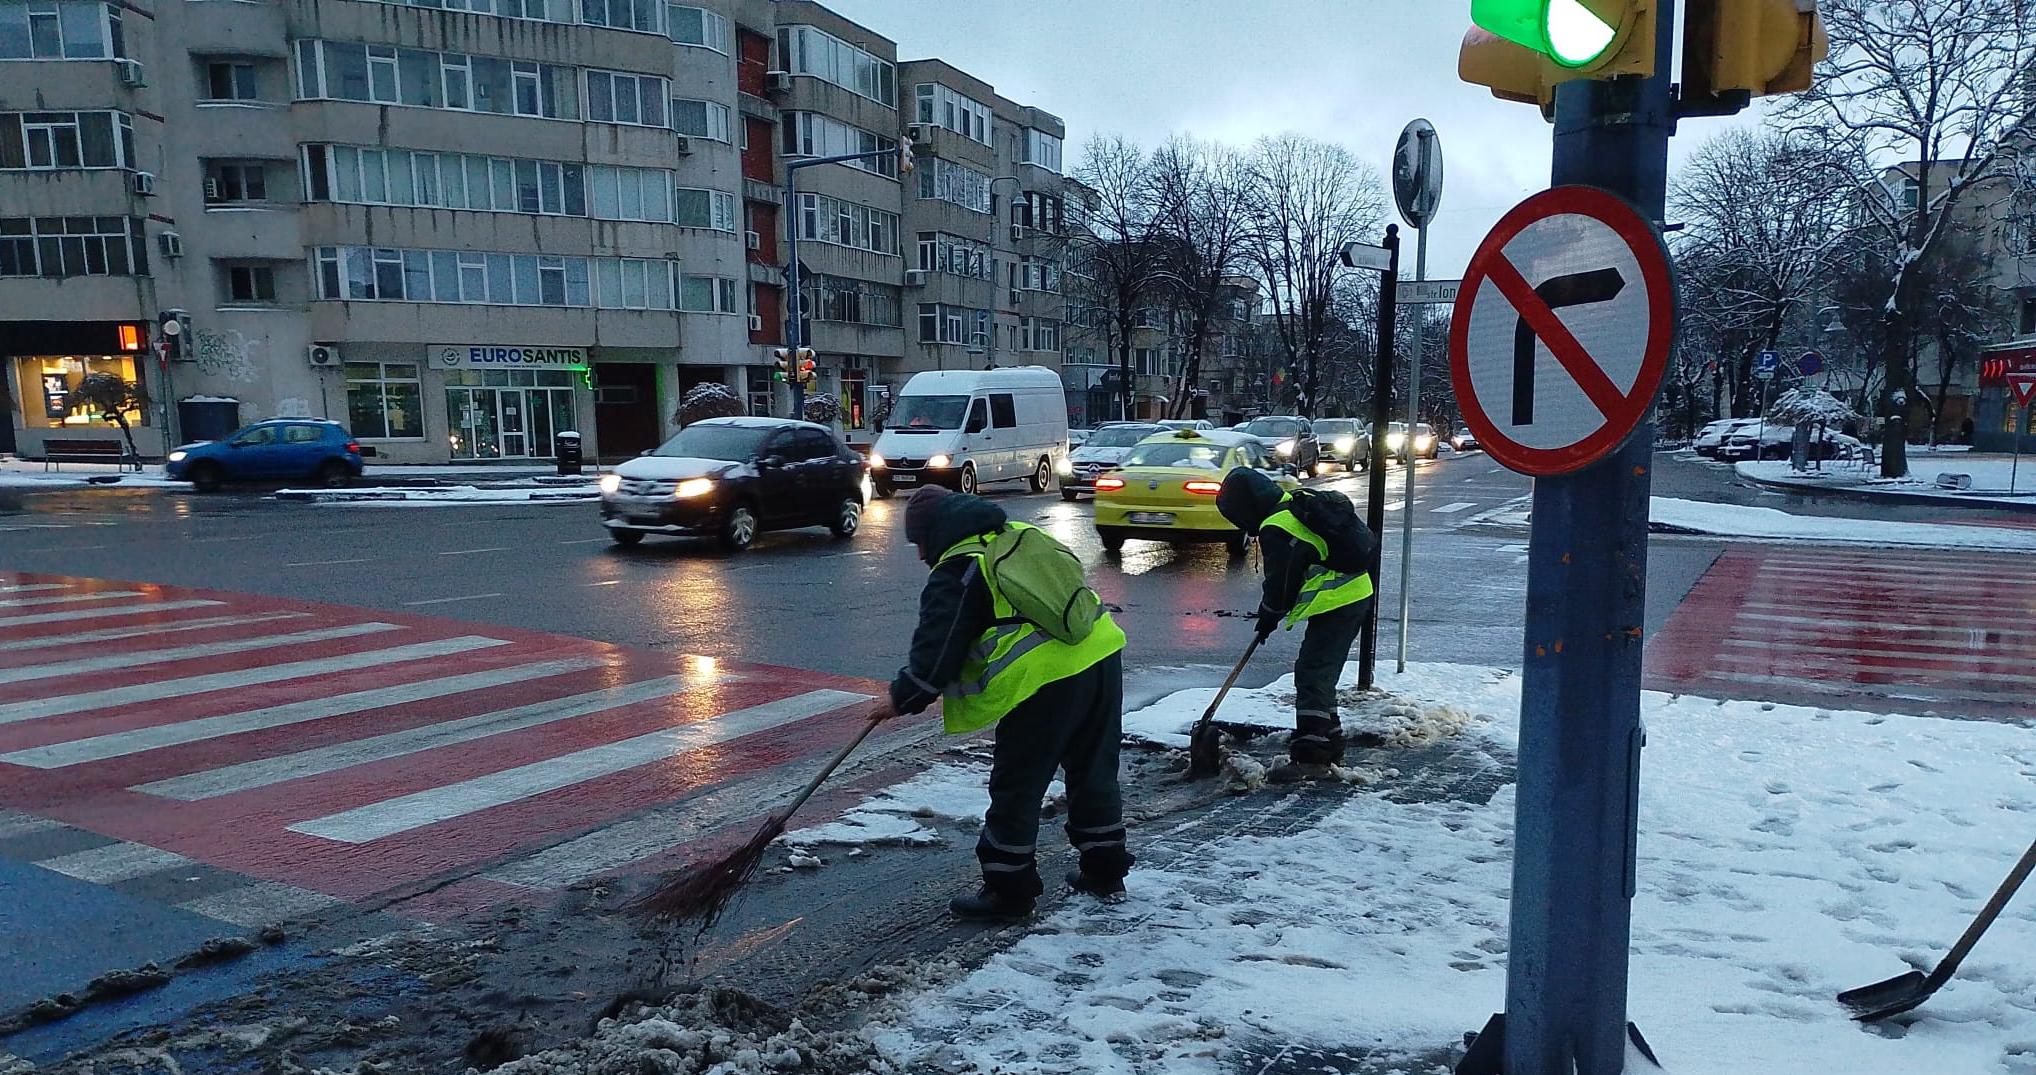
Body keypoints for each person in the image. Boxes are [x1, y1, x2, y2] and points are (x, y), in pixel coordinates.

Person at [869, 486, 1133, 921]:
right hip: (1101, 652)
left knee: (1018, 784)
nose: (920, 555)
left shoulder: (961, 566)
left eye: (919, 542)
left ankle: (1008, 892)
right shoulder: (1017, 535)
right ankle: (1105, 872)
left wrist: (903, 697)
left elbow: (939, 647)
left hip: (1045, 679)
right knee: (1094, 770)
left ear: (935, 532)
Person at [1215, 468, 1376, 782]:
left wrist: (1268, 614)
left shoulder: (1277, 526)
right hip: (1354, 592)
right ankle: (1329, 739)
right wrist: (1270, 615)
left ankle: (1312, 757)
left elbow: (1282, 584)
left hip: (1340, 600)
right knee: (1319, 670)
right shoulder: (1293, 502)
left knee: (1313, 671)